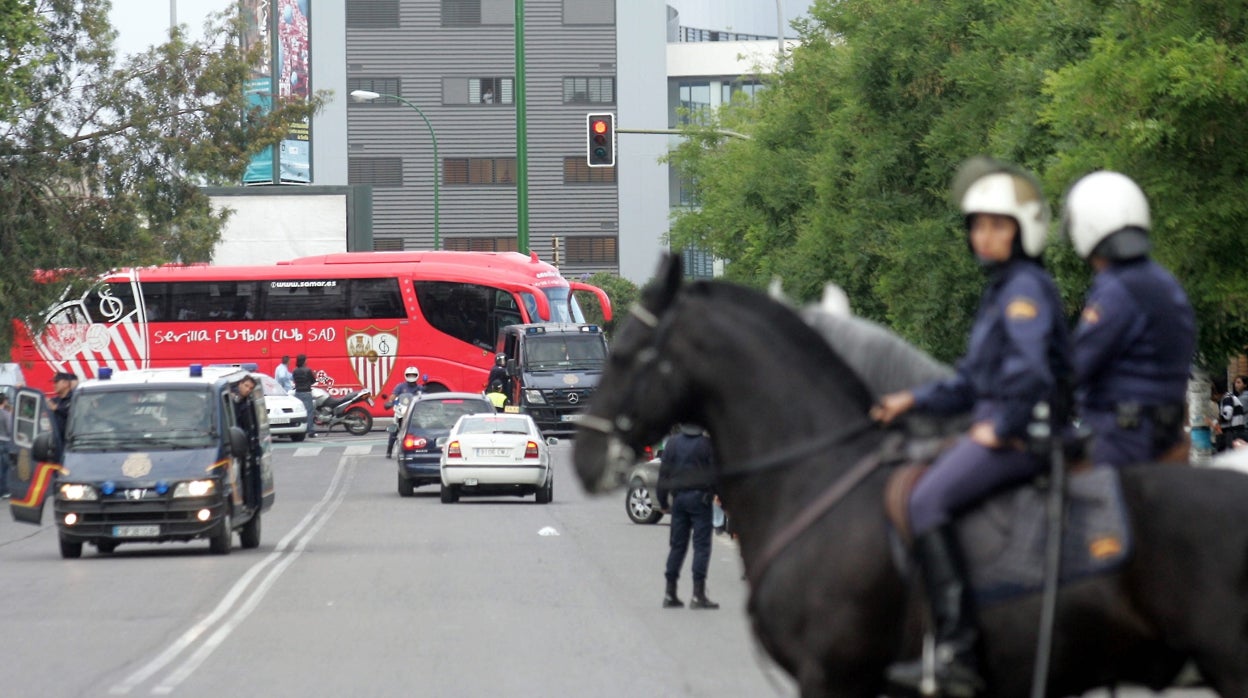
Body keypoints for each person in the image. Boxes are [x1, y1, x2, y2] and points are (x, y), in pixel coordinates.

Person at [871, 158, 1070, 696]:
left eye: (997, 224)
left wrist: (999, 427)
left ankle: (959, 650)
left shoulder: (1024, 288)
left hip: (1026, 436)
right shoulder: (999, 290)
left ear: (1023, 229)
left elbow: (1031, 373)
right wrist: (909, 398)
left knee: (924, 501)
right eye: (977, 224)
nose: (983, 235)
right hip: (999, 424)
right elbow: (968, 382)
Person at [1062, 170, 1197, 466]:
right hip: (1169, 436)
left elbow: (1075, 368)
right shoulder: (1165, 282)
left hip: (1122, 440)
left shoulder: (1116, 290)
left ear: (1086, 228)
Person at [656, 423, 719, 610]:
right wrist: (720, 496)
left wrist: (663, 502)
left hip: (679, 500)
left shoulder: (672, 443)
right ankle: (698, 595)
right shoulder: (707, 445)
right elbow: (716, 474)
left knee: (677, 546)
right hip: (701, 500)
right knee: (701, 547)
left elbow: (663, 474)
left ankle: (670, 592)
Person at [232, 376, 262, 508]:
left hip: (247, 445)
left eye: (250, 388)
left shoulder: (247, 401)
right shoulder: (233, 401)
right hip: (236, 445)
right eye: (246, 386)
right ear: (240, 384)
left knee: (250, 476)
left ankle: (252, 504)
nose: (248, 390)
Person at [385, 366, 425, 458]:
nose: (411, 376)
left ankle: (422, 448)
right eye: (409, 375)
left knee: (422, 429)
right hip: (401, 410)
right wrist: (390, 402)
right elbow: (393, 395)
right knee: (394, 429)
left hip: (414, 412)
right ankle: (389, 450)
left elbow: (423, 397)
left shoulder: (420, 388)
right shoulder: (400, 386)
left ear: (417, 375)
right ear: (406, 375)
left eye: (413, 375)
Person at [1209, 376, 1245, 453]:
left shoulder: (1227, 398)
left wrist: (1215, 421)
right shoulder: (1226, 398)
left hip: (1233, 433)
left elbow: (1227, 416)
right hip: (1233, 432)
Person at [48, 371, 78, 461]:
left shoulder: (75, 398)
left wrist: (56, 408)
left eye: (56, 382)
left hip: (71, 446)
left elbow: (72, 412)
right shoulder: (54, 400)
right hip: (55, 446)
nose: (54, 385)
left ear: (65, 383)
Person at [291, 354, 317, 438]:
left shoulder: (295, 370)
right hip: (306, 392)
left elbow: (294, 380)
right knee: (309, 412)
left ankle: (299, 429)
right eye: (306, 360)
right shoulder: (308, 370)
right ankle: (311, 431)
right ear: (304, 361)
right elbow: (313, 381)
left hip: (297, 393)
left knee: (299, 412)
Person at [0, 394, 12, 499]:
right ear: (3, 402)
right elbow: (10, 429)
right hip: (4, 442)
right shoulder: (5, 414)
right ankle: (4, 490)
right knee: (5, 468)